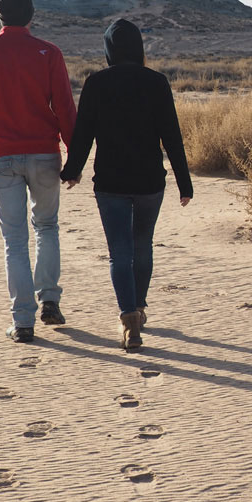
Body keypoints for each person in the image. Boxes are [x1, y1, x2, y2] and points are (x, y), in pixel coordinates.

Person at [60, 18, 193, 351]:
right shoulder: (157, 82)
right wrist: (184, 182)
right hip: (150, 181)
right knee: (142, 245)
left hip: (111, 181)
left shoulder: (96, 83)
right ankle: (141, 307)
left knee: (119, 253)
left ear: (109, 50)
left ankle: (129, 320)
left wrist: (72, 170)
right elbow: (172, 137)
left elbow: (84, 134)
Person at [0, 0, 77, 343]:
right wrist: (75, 155)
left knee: (14, 241)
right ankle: (50, 300)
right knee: (47, 227)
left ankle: (22, 320)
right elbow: (65, 108)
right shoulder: (49, 52)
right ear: (30, 15)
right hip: (44, 153)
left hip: (2, 157)